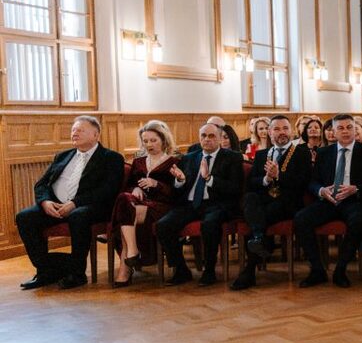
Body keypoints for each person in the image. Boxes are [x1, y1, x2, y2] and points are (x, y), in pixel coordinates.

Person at [17, 115, 125, 290]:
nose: (74, 133)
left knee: (77, 216)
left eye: (80, 130)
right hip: (55, 206)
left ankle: (77, 273)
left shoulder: (111, 158)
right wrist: (45, 202)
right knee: (24, 217)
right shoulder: (63, 156)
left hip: (91, 208)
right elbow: (41, 184)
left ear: (96, 135)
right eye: (73, 130)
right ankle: (46, 270)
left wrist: (75, 203)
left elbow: (108, 190)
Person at [230, 115, 313, 291]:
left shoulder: (302, 152)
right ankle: (260, 239)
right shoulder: (261, 155)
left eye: (285, 128)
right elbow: (252, 183)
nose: (281, 132)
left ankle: (250, 269)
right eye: (276, 129)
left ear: (291, 131)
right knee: (249, 198)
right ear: (269, 132)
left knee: (257, 218)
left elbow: (303, 182)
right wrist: (267, 179)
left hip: (288, 203)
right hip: (264, 201)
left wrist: (278, 176)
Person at [293, 114, 362, 288]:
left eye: (349, 127)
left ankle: (341, 269)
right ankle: (317, 270)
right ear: (333, 132)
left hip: (355, 201)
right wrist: (321, 190)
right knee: (301, 219)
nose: (345, 131)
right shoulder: (324, 152)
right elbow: (313, 181)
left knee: (357, 221)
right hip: (329, 201)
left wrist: (356, 189)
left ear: (355, 130)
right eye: (340, 128)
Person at [157, 123, 245, 286]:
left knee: (210, 224)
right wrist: (179, 180)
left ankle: (209, 271)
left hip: (217, 204)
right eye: (203, 136)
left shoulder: (232, 158)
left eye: (212, 136)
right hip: (190, 204)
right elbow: (178, 190)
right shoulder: (190, 157)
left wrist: (209, 179)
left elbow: (235, 188)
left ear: (219, 138)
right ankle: (181, 269)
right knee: (163, 225)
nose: (207, 139)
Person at [110, 120, 179, 286]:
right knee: (124, 199)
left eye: (153, 140)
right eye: (145, 141)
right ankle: (132, 252)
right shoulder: (138, 161)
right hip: (138, 204)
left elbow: (177, 193)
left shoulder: (174, 162)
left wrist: (157, 184)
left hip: (161, 206)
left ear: (163, 140)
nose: (149, 144)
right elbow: (129, 185)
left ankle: (126, 266)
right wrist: (135, 188)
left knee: (123, 218)